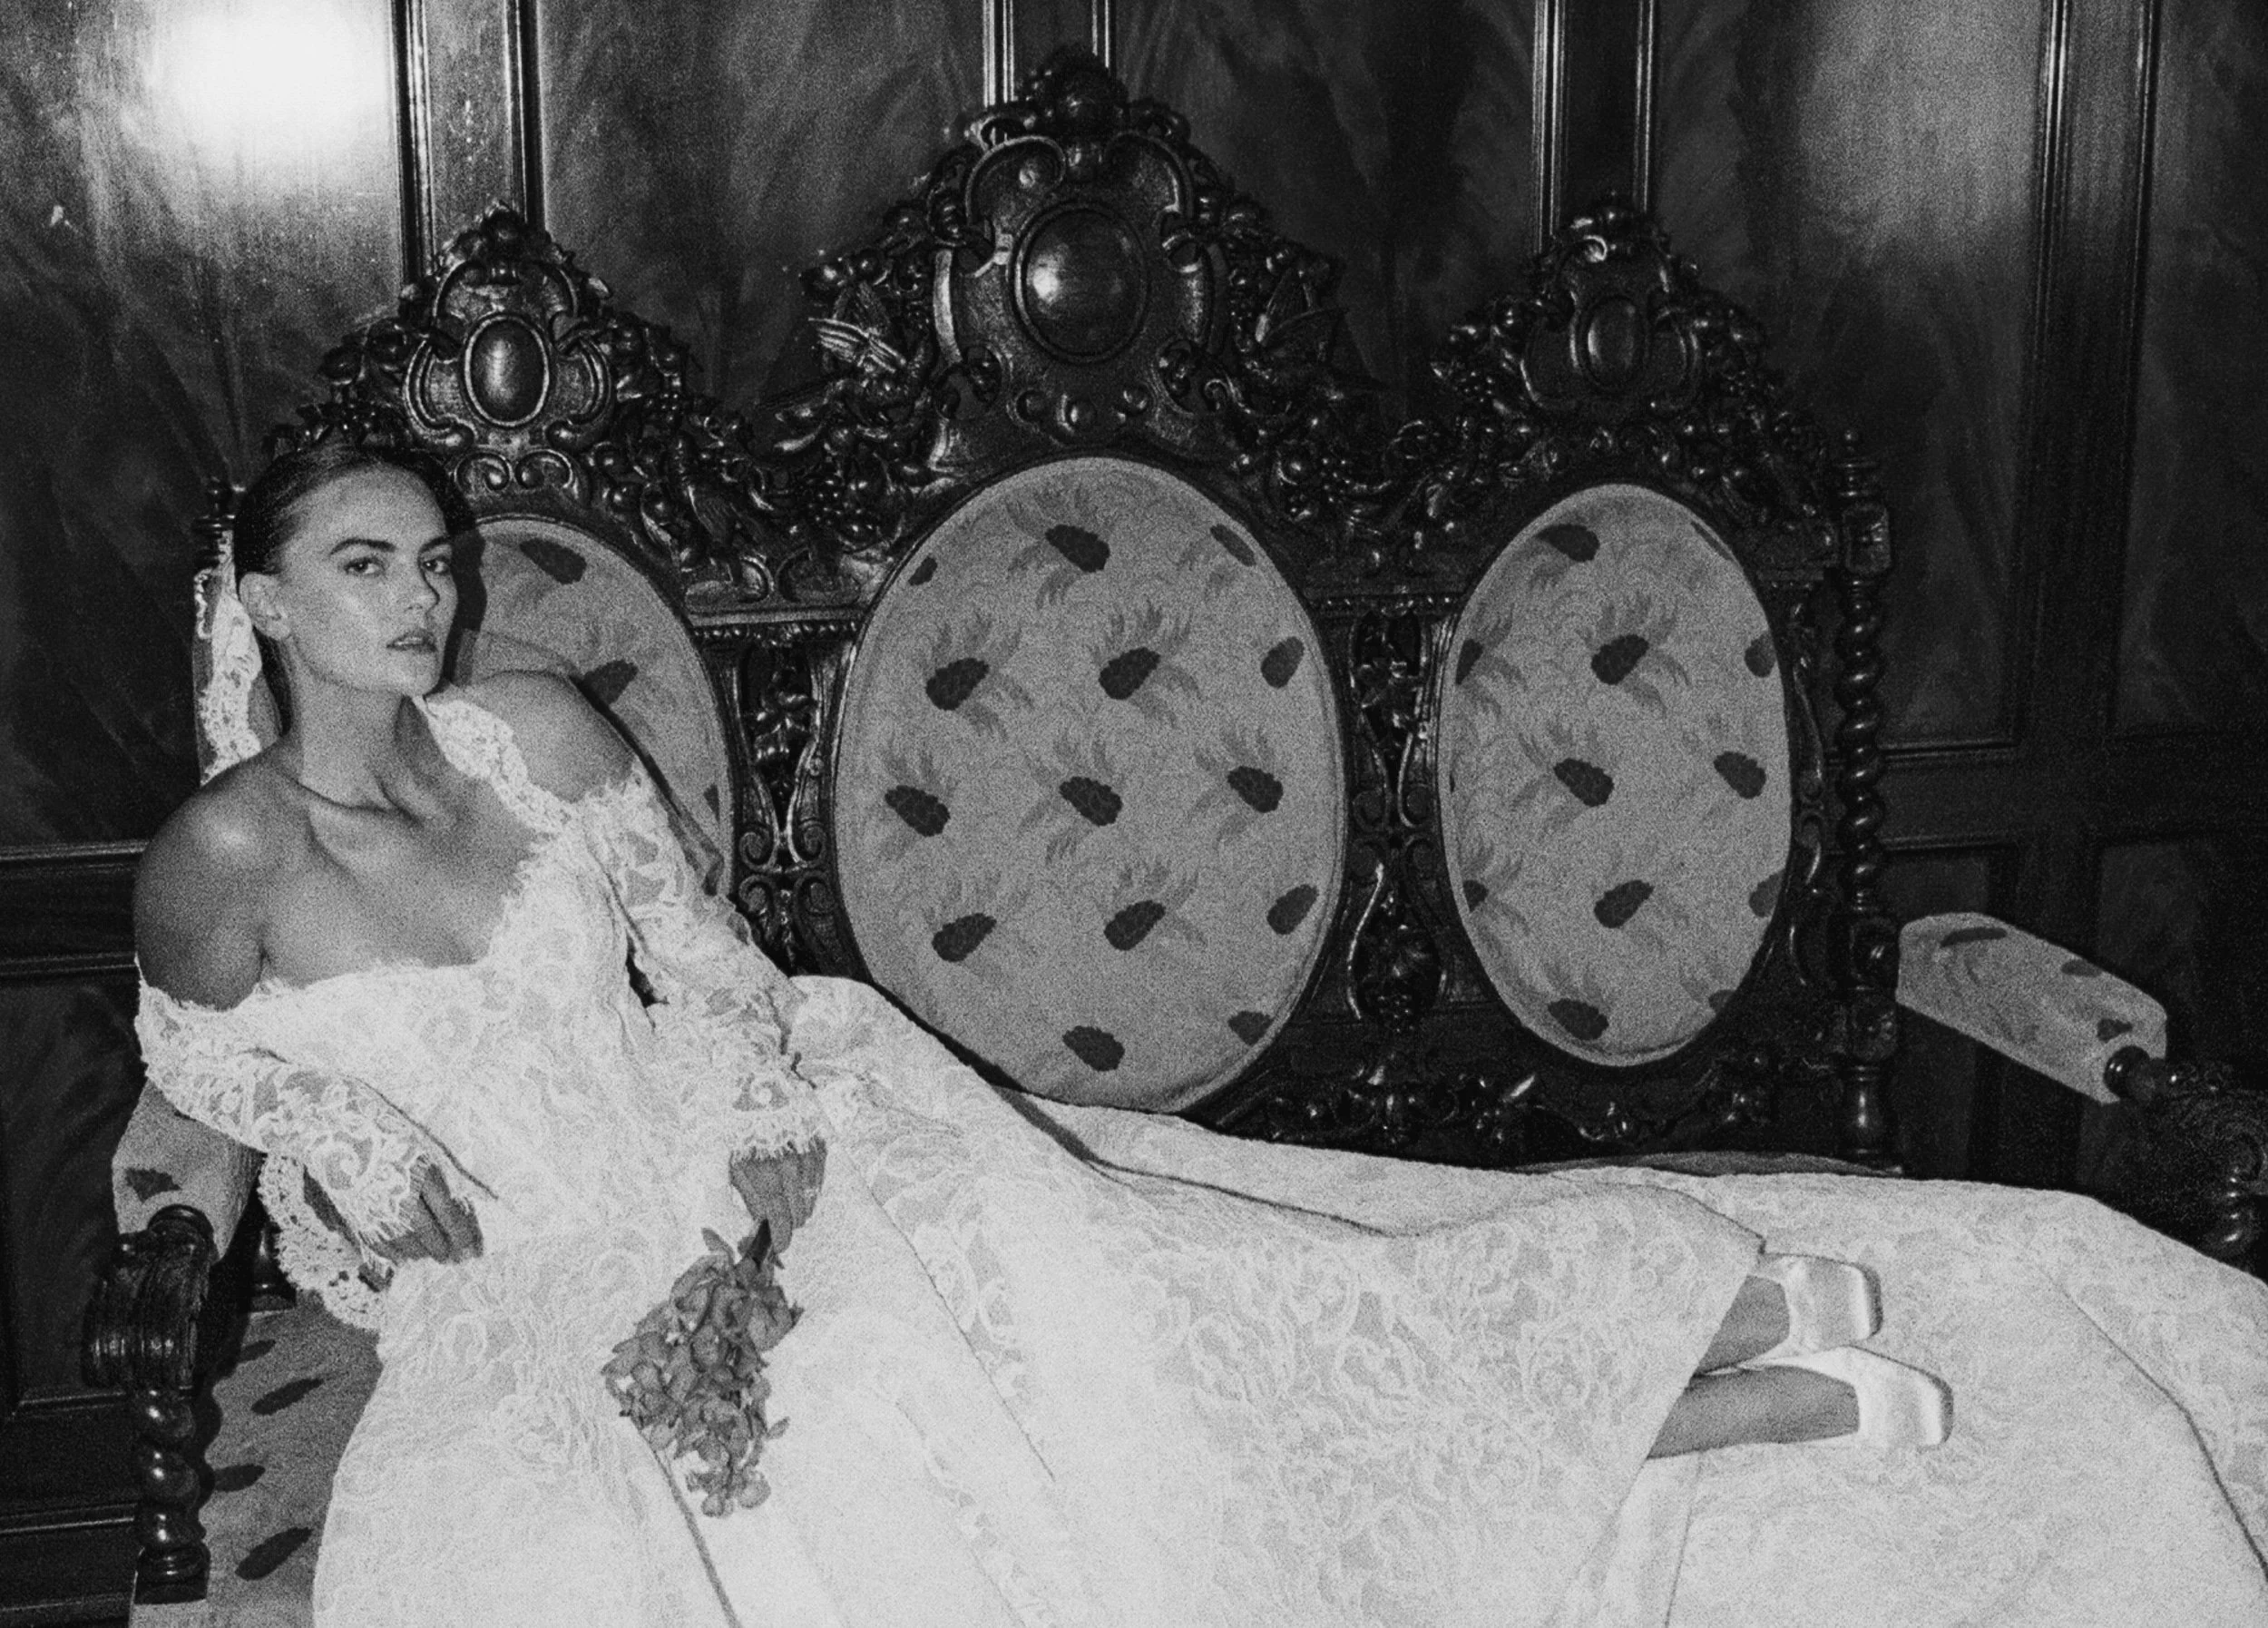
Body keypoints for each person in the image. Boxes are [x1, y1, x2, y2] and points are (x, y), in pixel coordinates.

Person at [133, 441, 2268, 1628]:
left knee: (1159, 1334)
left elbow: (699, 961)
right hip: (533, 1307)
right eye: (358, 567)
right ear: (263, 601)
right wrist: (353, 1178)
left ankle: (1700, 1351)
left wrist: (762, 1153)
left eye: (430, 561)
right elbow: (212, 1077)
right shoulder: (217, 861)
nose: (412, 603)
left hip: (767, 1141)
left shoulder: (528, 735)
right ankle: (1710, 1396)